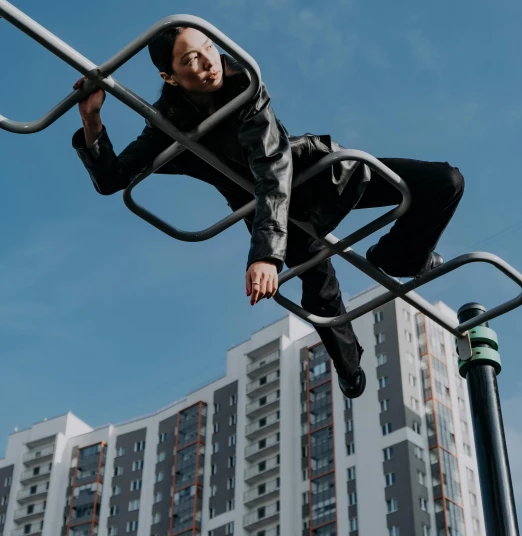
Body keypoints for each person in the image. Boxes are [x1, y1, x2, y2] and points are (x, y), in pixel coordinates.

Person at [72, 26, 464, 399]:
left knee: (443, 181)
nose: (209, 62)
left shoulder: (244, 82)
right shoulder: (166, 124)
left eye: (209, 46)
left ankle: (399, 256)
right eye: (191, 58)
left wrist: (264, 255)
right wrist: (91, 118)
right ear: (169, 76)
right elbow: (112, 179)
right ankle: (350, 369)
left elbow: (271, 166)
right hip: (272, 217)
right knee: (321, 289)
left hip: (316, 179)